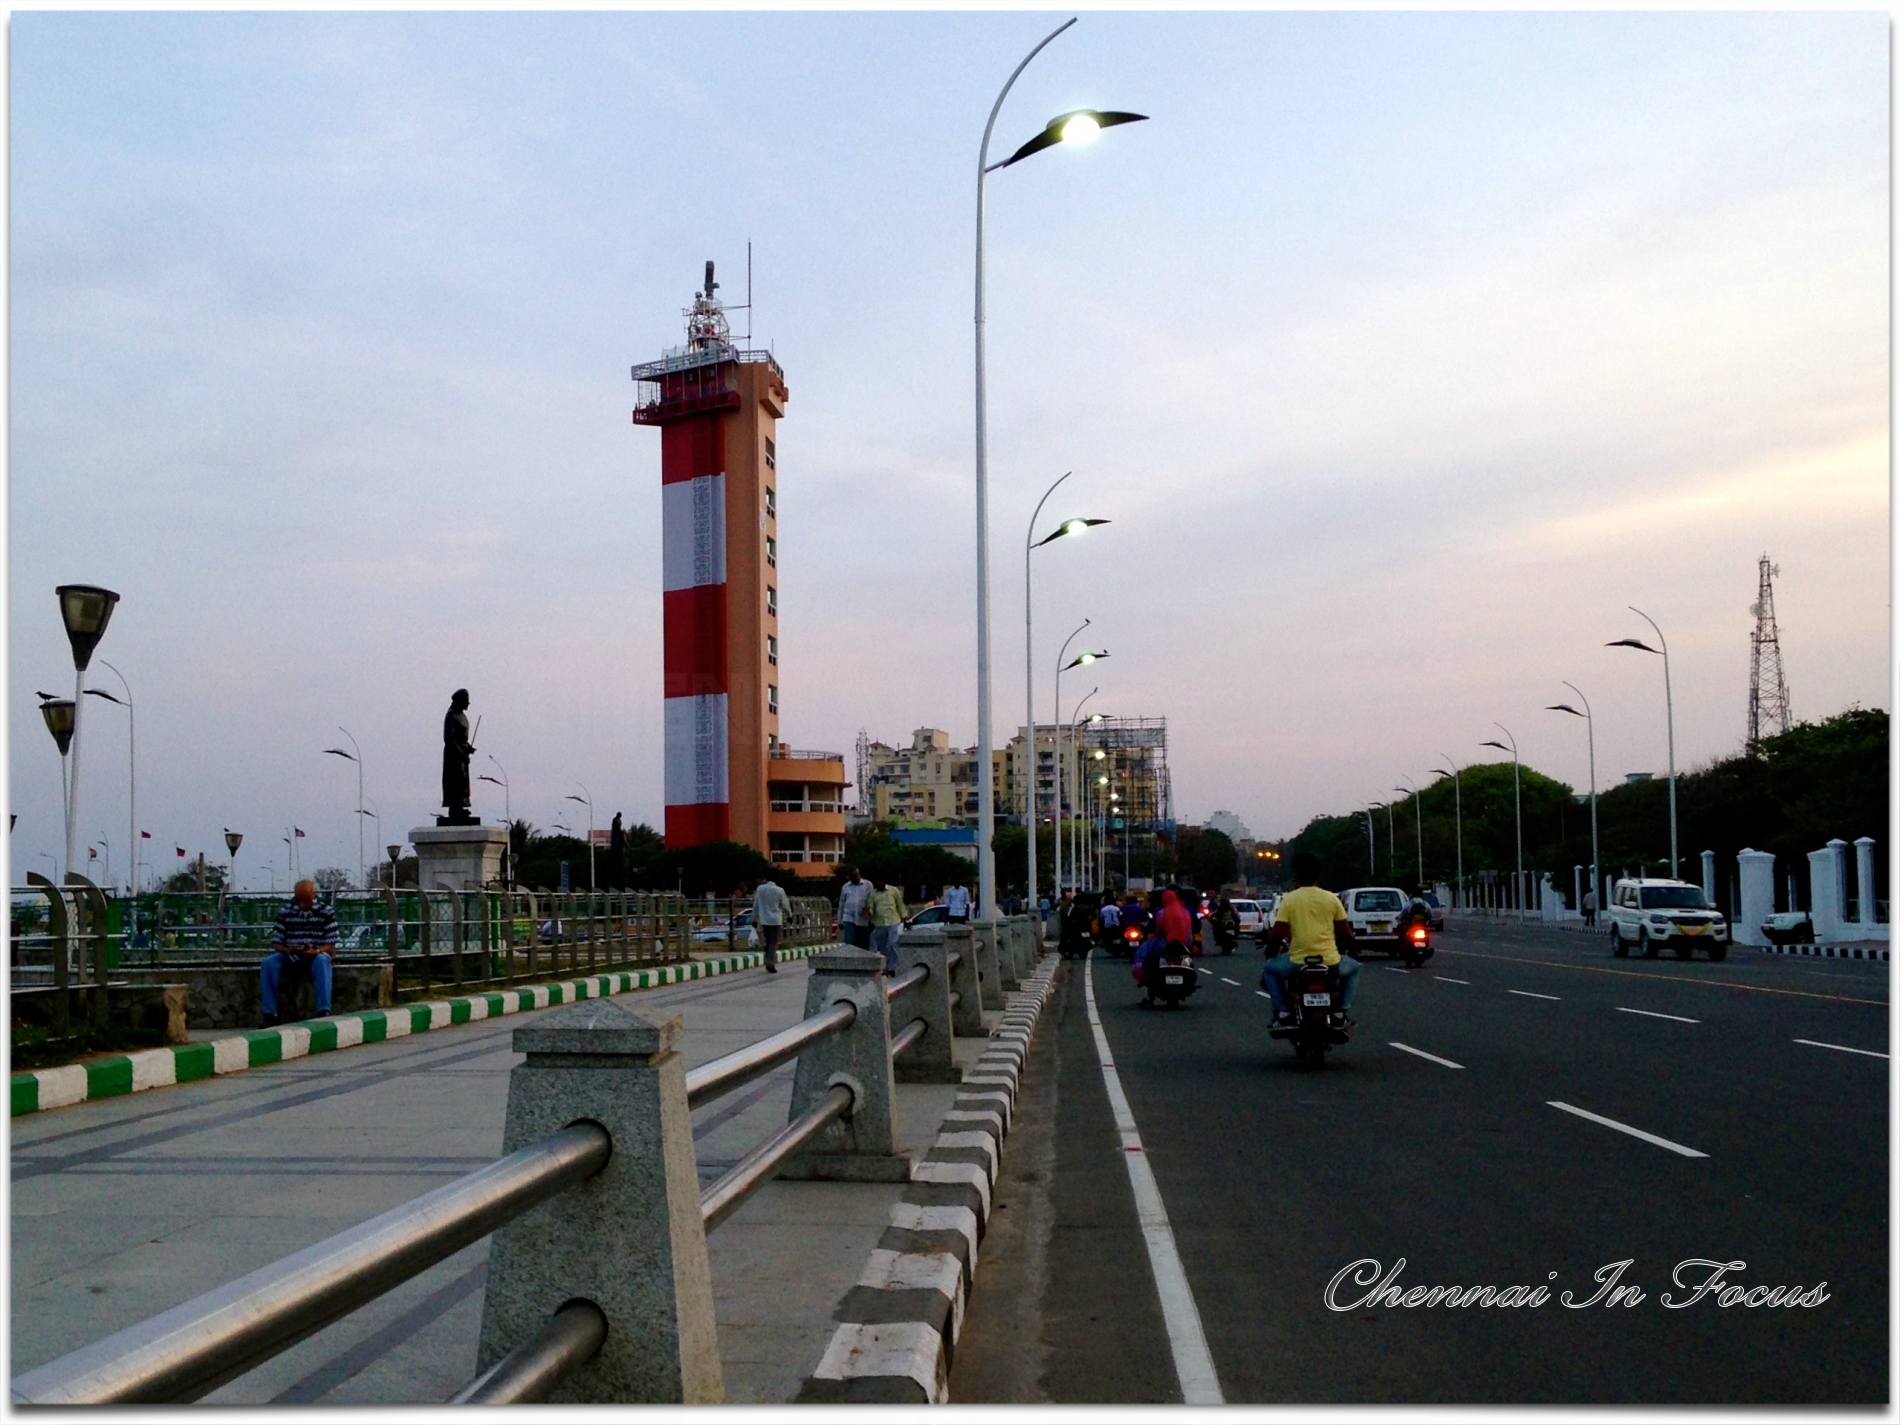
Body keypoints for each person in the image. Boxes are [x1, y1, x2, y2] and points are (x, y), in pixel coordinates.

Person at [1260, 853, 1360, 1028]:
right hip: (1330, 962)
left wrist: (1270, 952)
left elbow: (1277, 934)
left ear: (1297, 875)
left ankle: (1283, 1012)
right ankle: (1339, 1012)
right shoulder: (1332, 899)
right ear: (1318, 875)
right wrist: (1353, 950)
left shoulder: (1290, 900)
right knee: (1355, 968)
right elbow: (1345, 933)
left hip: (1297, 963)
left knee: (1270, 969)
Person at [260, 878, 338, 1027]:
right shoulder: (286, 912)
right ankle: (270, 1013)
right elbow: (276, 941)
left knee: (322, 962)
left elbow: (331, 942)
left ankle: (324, 1010)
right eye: (299, 900)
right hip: (289, 955)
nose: (302, 905)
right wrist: (287, 949)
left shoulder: (326, 912)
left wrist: (316, 950)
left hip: (315, 955)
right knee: (268, 964)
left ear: (314, 895)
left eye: (306, 901)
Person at [867, 874, 908, 974]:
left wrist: (905, 919)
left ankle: (893, 967)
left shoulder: (893, 890)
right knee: (883, 947)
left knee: (892, 943)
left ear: (883, 881)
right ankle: (887, 968)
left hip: (893, 921)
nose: (877, 884)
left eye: (878, 882)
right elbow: (871, 908)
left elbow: (900, 905)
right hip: (879, 923)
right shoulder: (872, 894)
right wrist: (868, 913)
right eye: (875, 882)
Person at [752, 875, 790, 972]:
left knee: (768, 941)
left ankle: (768, 960)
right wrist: (789, 915)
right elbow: (785, 905)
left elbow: (756, 905)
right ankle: (771, 963)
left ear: (766, 880)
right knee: (773, 942)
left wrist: (754, 919)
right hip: (776, 920)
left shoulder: (760, 889)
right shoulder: (780, 890)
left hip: (764, 920)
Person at [838, 866, 873, 949]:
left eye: (856, 875)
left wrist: (871, 916)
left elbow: (872, 900)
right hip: (849, 918)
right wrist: (840, 921)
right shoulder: (846, 887)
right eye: (852, 876)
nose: (855, 877)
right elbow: (842, 903)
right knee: (850, 942)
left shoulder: (868, 885)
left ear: (859, 874)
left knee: (863, 945)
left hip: (863, 919)